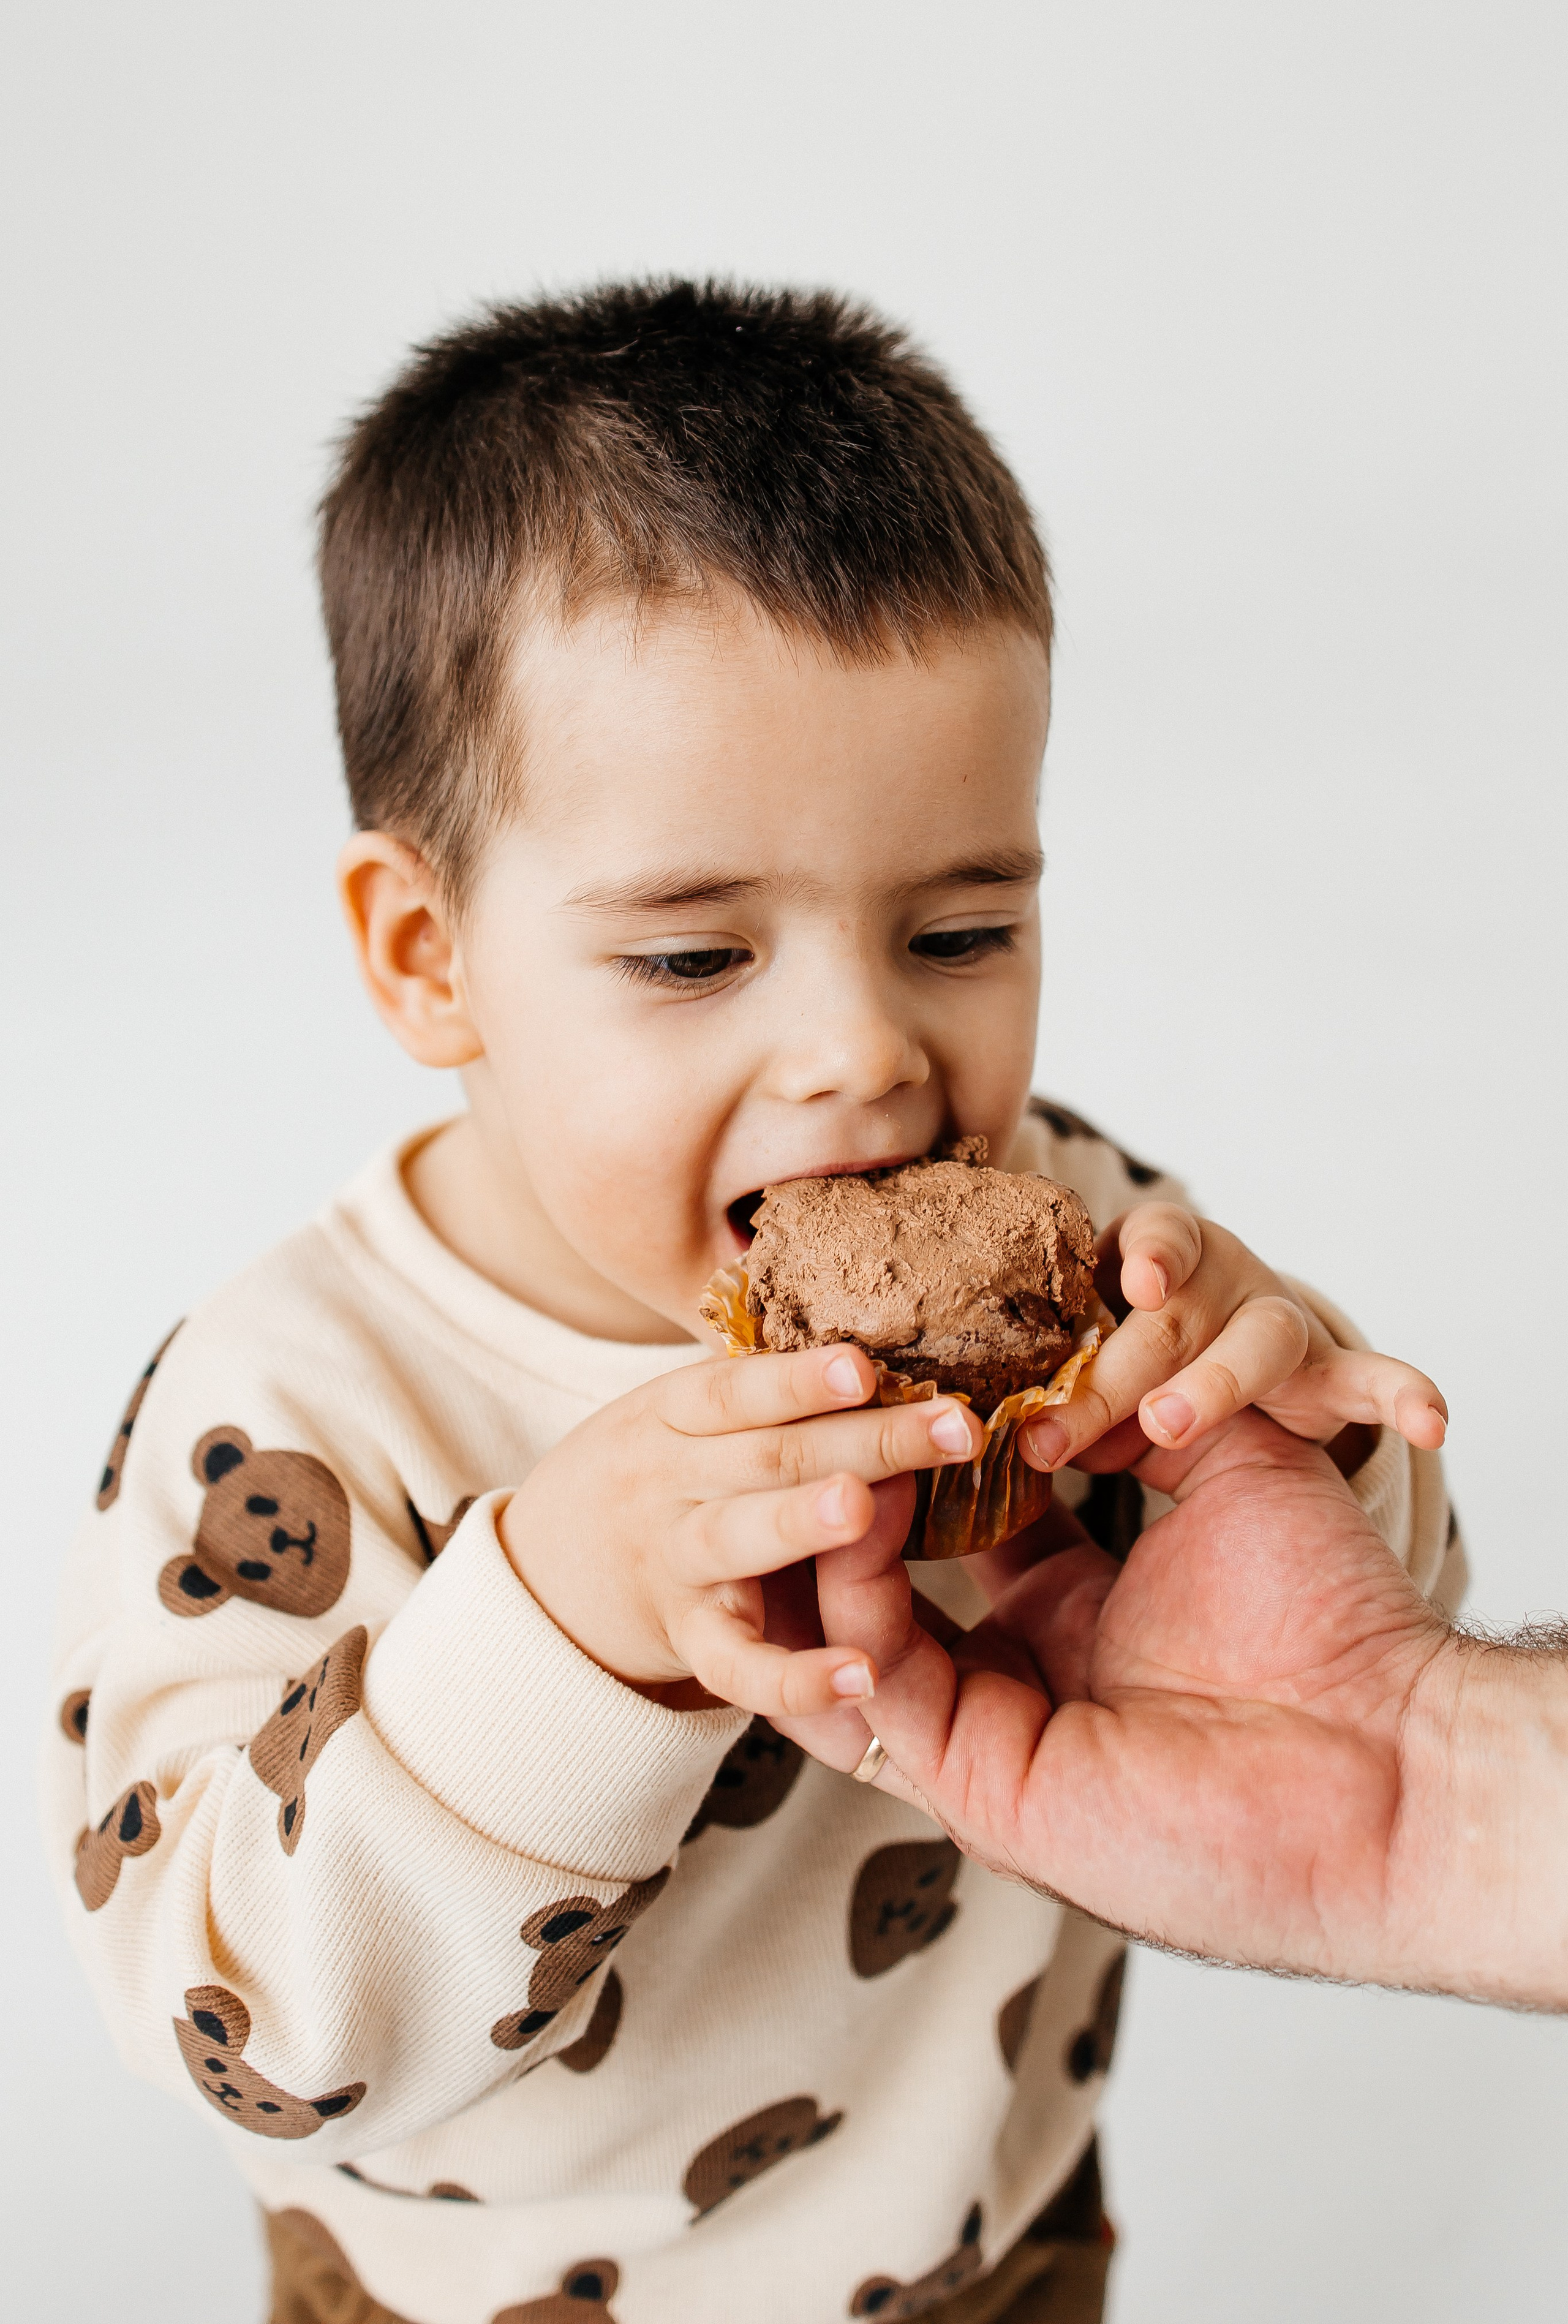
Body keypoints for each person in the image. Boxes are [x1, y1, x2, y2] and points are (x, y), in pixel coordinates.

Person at [44, 281, 1453, 2324]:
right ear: (428, 950)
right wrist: (567, 1625)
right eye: (699, 960)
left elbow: (1324, 1682)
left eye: (960, 926)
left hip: (991, 2245)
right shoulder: (299, 1410)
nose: (863, 1056)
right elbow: (236, 2023)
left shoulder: (1082, 1244)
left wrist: (1283, 1447)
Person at [804, 1398, 1568, 2015]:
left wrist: (1316, 1436)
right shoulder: (683, 1498)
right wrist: (679, 1679)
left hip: (1038, 2172)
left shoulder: (1103, 1234)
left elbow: (1425, 1587)